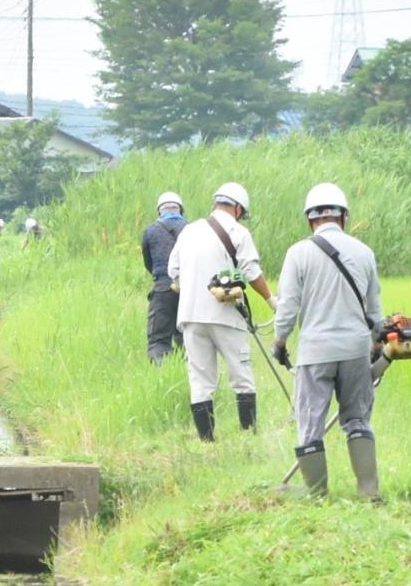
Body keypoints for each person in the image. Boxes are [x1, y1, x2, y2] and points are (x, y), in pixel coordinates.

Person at [270, 182, 386, 500]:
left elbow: (288, 307)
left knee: (310, 424)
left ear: (310, 219)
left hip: (315, 351)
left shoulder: (299, 253)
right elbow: (376, 312)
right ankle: (368, 490)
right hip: (355, 349)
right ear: (344, 217)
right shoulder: (364, 253)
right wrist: (377, 348)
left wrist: (279, 342)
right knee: (357, 419)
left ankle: (318, 496)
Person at [168, 182, 273, 439]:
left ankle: (207, 440)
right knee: (242, 375)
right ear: (238, 208)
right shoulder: (239, 231)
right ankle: (248, 435)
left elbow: (173, 273)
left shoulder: (189, 231)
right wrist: (271, 299)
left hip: (191, 316)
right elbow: (251, 271)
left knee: (200, 380)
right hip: (226, 316)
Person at [141, 191, 187, 362]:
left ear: (159, 211)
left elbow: (149, 263)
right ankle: (190, 372)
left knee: (158, 341)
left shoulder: (150, 231)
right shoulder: (191, 228)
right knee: (189, 338)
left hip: (162, 288)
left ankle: (161, 372)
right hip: (189, 289)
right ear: (180, 210)